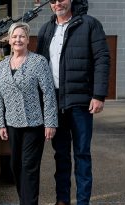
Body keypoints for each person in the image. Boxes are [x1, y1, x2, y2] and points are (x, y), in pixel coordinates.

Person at [36, 0, 110, 204]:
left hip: (81, 102)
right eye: (53, 0)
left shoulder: (89, 24)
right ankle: (62, 200)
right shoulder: (46, 29)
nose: (57, 3)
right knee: (61, 156)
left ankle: (83, 200)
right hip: (55, 102)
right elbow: (39, 66)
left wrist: (98, 95)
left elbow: (102, 59)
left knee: (82, 155)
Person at [0, 22, 58, 205]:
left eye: (22, 36)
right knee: (16, 166)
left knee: (29, 167)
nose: (18, 40)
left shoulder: (38, 62)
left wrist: (50, 122)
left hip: (34, 123)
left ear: (28, 40)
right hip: (12, 124)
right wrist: (1, 123)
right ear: (9, 40)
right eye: (14, 36)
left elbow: (48, 93)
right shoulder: (2, 65)